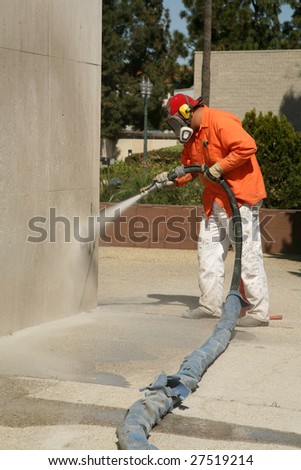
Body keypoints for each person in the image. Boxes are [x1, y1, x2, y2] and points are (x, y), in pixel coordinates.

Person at [154, 94, 269, 327]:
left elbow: (248, 146)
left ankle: (259, 312)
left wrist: (220, 166)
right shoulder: (192, 138)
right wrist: (172, 178)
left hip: (240, 198)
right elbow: (190, 168)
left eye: (177, 121)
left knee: (247, 254)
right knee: (207, 252)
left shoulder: (220, 121)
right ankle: (210, 305)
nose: (178, 128)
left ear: (186, 112)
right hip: (215, 201)